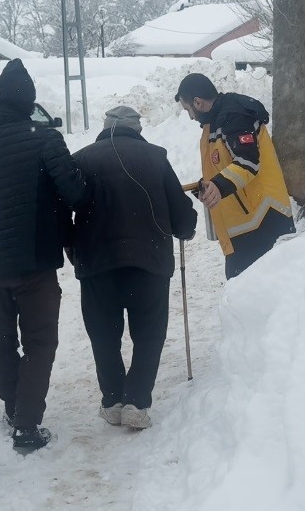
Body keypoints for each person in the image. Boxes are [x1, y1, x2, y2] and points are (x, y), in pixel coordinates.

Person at [0, 59, 87, 451]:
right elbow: (76, 193)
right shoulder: (44, 137)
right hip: (35, 262)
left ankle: (14, 409)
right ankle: (27, 424)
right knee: (39, 341)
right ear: (28, 102)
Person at [70, 106, 197, 429]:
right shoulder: (155, 157)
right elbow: (180, 210)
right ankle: (137, 403)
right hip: (149, 263)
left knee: (104, 335)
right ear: (136, 128)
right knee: (149, 335)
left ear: (105, 126)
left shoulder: (82, 159)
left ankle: (112, 400)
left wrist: (74, 249)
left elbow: (64, 210)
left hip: (97, 264)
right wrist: (185, 227)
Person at [175, 73, 295, 279]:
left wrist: (218, 186)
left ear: (198, 102)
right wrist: (208, 186)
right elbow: (222, 165)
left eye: (188, 109)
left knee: (257, 297)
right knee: (243, 296)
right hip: (246, 224)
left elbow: (247, 162)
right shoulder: (214, 122)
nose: (190, 116)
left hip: (263, 220)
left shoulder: (235, 115)